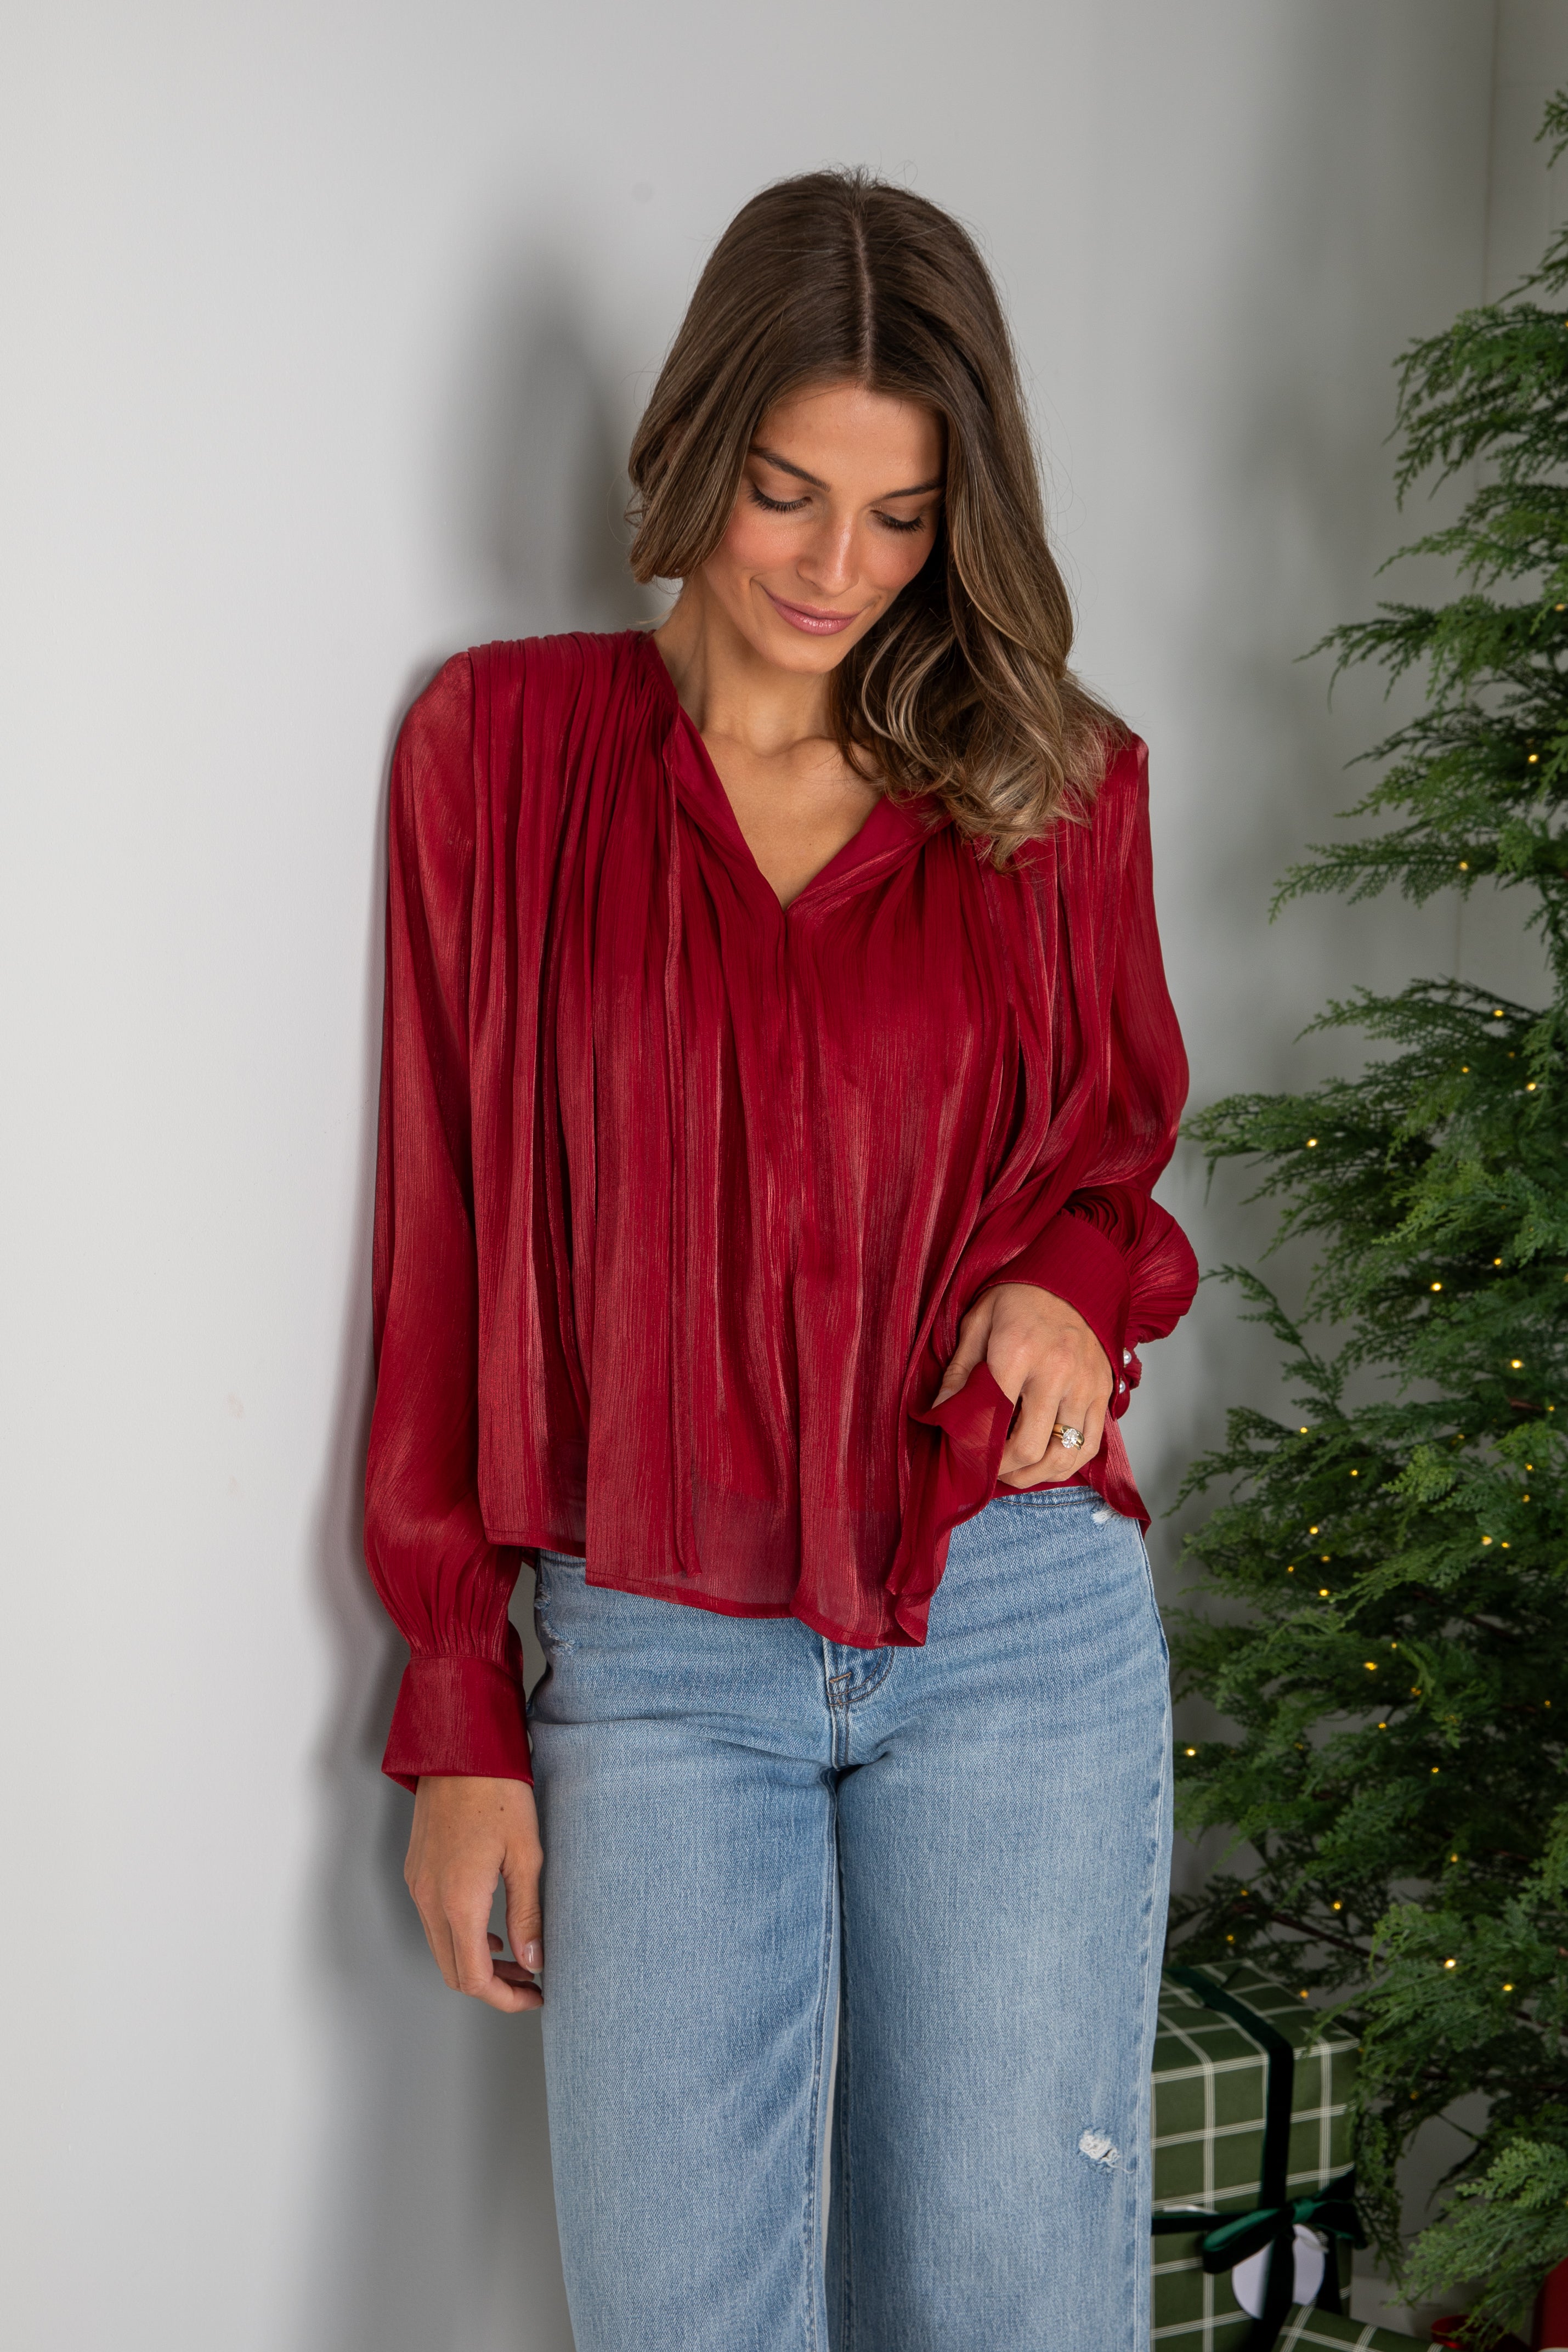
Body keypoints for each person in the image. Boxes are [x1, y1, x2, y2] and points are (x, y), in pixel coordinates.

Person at [365, 167, 1198, 2352]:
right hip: (649, 1649)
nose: (839, 568)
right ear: (692, 449)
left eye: (905, 514)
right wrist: (459, 1704)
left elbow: (1115, 1165)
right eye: (785, 492)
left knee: (1005, 2310)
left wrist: (1062, 1287)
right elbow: (444, 1244)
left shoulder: (1054, 784)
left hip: (1013, 1615)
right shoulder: (504, 759)